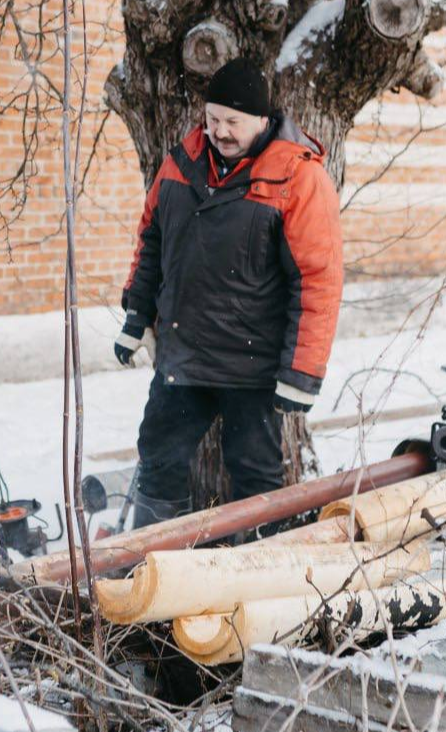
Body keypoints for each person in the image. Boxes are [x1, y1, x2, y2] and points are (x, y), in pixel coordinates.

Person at [115, 58, 344, 528]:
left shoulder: (298, 179)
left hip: (253, 366)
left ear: (262, 120)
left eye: (232, 122)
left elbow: (318, 279)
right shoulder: (181, 163)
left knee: (257, 480)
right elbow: (153, 240)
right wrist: (135, 317)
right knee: (157, 461)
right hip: (184, 357)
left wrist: (301, 374)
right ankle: (149, 576)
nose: (219, 131)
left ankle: (251, 582)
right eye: (213, 118)